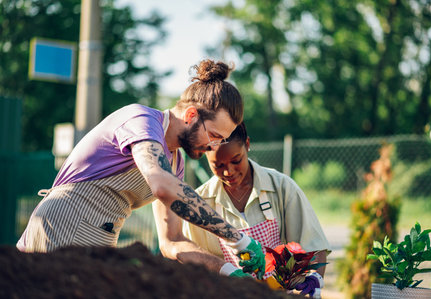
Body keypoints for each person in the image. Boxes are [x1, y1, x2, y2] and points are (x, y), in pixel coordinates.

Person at [17, 60, 265, 277]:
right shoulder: (142, 121)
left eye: (219, 140)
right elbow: (162, 185)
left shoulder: (175, 164)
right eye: (213, 135)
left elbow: (172, 241)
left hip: (101, 240)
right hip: (65, 225)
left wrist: (226, 270)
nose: (212, 147)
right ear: (191, 115)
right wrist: (237, 237)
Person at [155, 122, 330, 296]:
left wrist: (314, 279)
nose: (228, 172)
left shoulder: (281, 187)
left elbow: (313, 244)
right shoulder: (199, 204)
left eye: (236, 160)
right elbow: (190, 265)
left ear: (247, 145)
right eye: (218, 165)